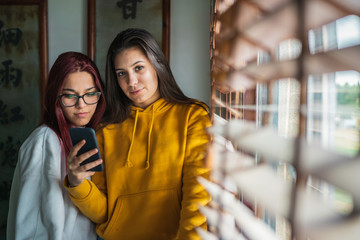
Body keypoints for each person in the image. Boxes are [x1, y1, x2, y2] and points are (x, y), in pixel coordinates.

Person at [64, 28, 211, 240]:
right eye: (121, 73)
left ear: (157, 65)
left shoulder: (193, 116)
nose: (131, 82)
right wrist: (77, 183)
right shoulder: (105, 129)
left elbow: (198, 196)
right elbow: (104, 213)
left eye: (139, 68)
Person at [7, 51, 106, 240]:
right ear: (56, 97)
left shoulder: (85, 137)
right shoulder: (44, 142)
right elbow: (34, 228)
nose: (81, 105)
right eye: (70, 96)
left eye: (90, 94)